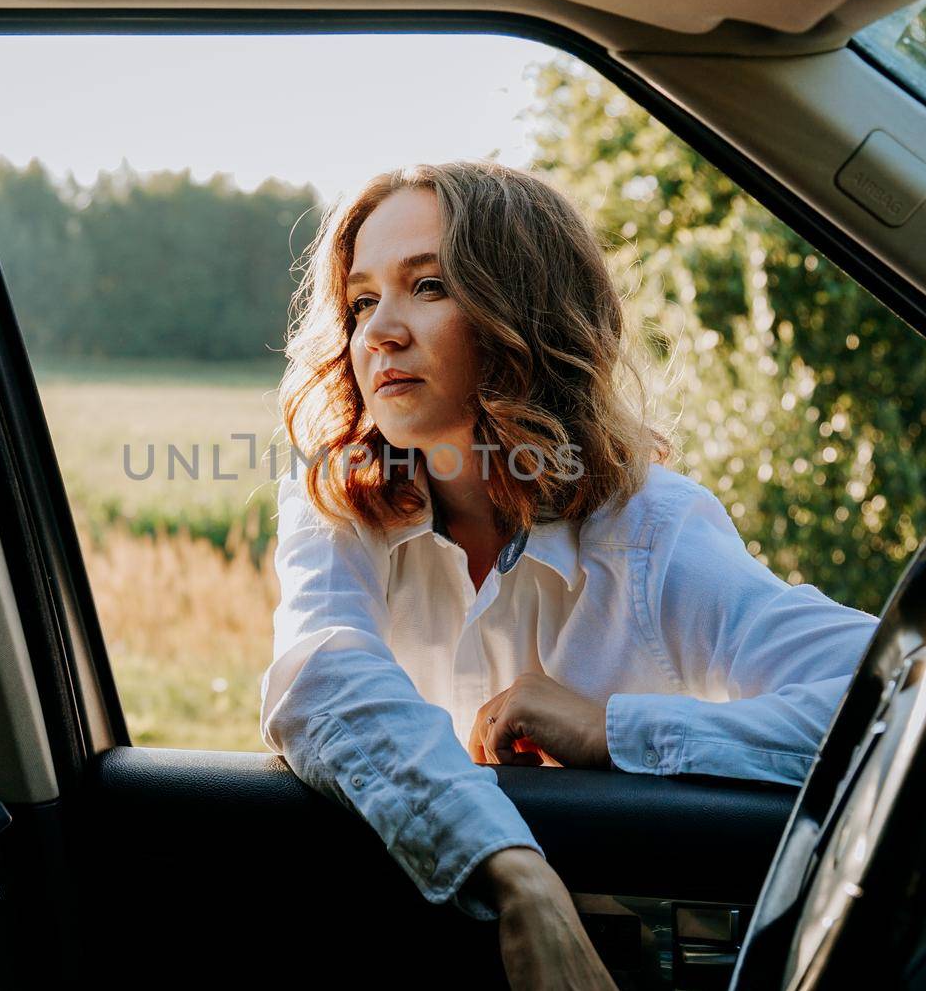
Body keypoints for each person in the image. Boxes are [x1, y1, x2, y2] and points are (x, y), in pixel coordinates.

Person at [259, 160, 875, 988]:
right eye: (363, 300)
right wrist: (518, 872)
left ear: (524, 312)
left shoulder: (652, 529)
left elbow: (884, 699)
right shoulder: (340, 506)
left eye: (429, 287)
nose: (379, 333)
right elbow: (321, 673)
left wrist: (613, 729)